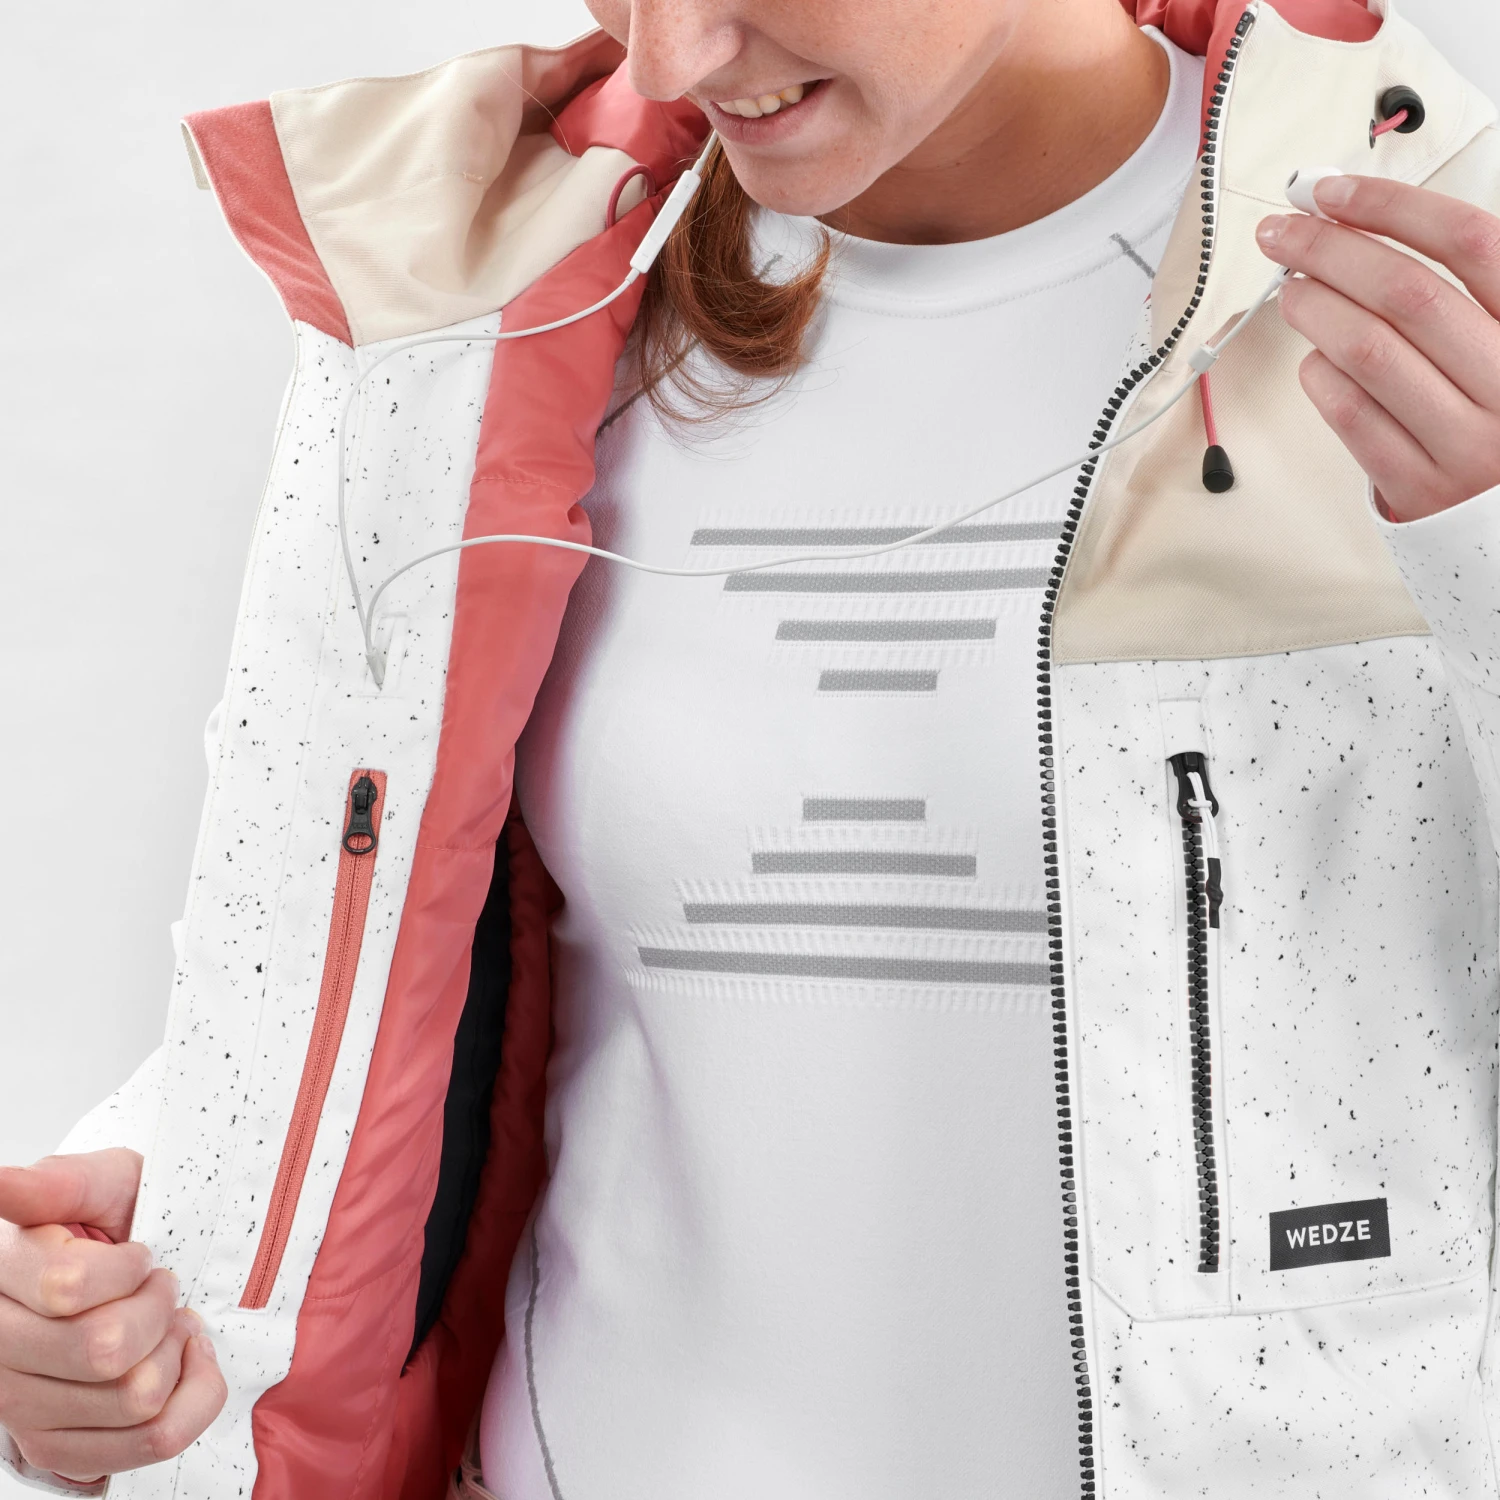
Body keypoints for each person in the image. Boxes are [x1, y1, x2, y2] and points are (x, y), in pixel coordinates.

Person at [3, 0, 1500, 1493]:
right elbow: (381, 958)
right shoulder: (497, 305)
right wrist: (139, 1288)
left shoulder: (1447, 280)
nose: (665, 59)